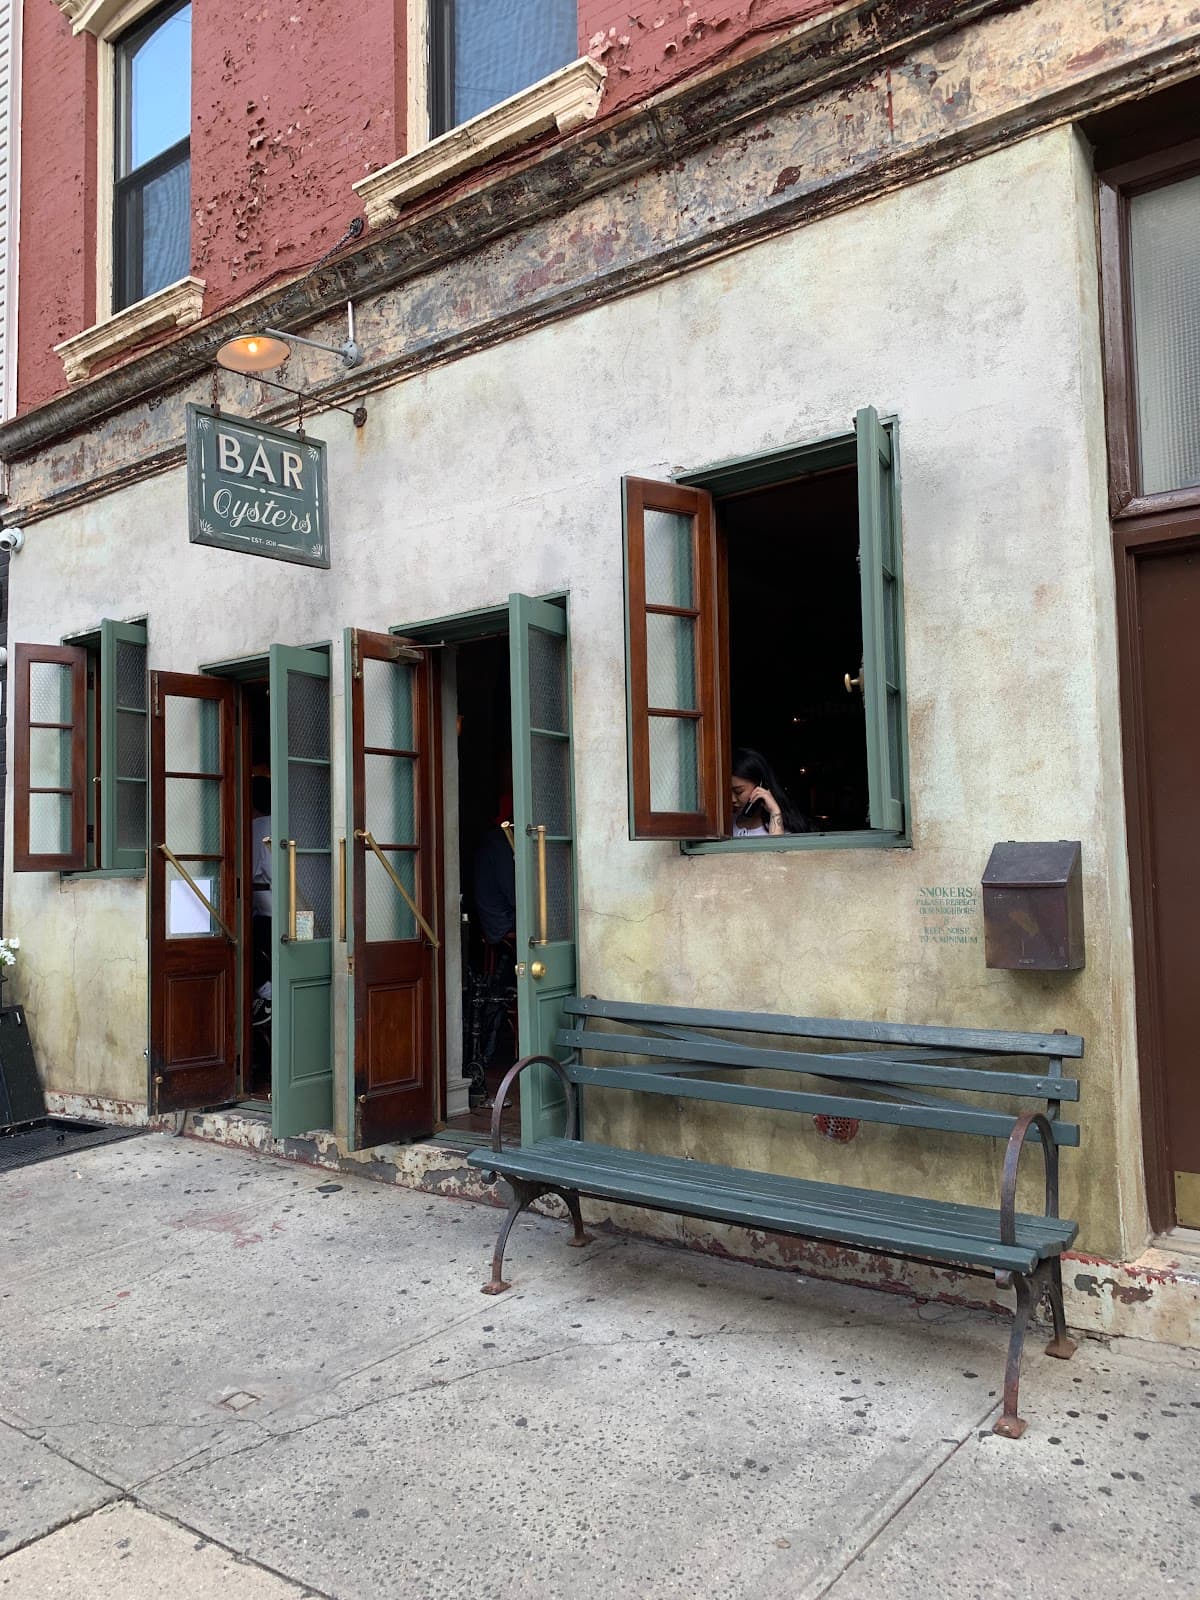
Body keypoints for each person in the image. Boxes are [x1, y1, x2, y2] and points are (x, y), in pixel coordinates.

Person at [731, 747, 810, 837]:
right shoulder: (725, 824)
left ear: (760, 786)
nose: (732, 799)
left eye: (738, 792)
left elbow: (778, 850)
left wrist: (775, 812)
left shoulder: (782, 827)